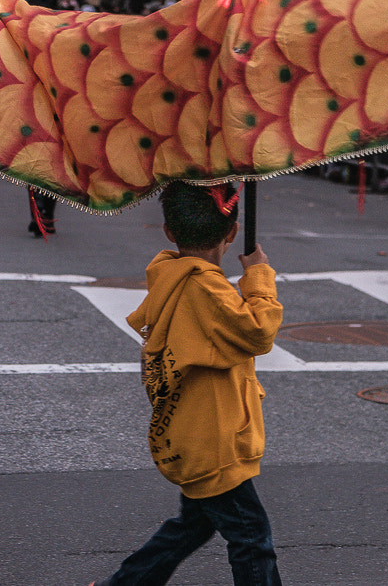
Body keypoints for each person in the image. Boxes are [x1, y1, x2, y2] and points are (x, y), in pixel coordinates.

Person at [90, 181, 285, 586]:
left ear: (169, 232)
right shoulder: (206, 286)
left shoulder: (173, 276)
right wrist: (259, 275)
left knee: (193, 525)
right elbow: (258, 332)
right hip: (214, 439)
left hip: (194, 430)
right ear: (231, 234)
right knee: (252, 539)